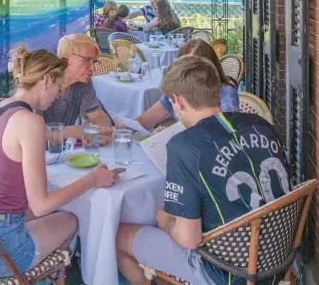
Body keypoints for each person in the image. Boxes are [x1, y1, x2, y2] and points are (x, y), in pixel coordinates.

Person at [116, 56, 290, 285]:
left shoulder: (185, 145)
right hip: (279, 257)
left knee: (118, 235)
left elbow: (188, 240)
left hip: (228, 272)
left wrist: (166, 222)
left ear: (178, 101)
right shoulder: (260, 124)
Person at [0, 47, 119, 277]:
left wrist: (0, 178)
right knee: (72, 218)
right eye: (58, 86)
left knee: (50, 211)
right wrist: (93, 179)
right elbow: (41, 205)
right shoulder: (30, 121)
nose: (58, 94)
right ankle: (60, 274)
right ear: (46, 80)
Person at [133, 39, 240, 130]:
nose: (184, 71)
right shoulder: (177, 90)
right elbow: (146, 120)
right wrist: (122, 127)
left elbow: (225, 133)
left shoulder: (225, 93)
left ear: (209, 68)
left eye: (191, 66)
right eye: (181, 65)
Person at [38, 34, 114, 144]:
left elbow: (97, 115)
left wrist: (102, 130)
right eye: (87, 59)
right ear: (66, 57)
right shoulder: (43, 82)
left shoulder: (83, 82)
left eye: (94, 61)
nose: (93, 68)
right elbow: (34, 134)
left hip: (63, 152)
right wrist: (75, 131)